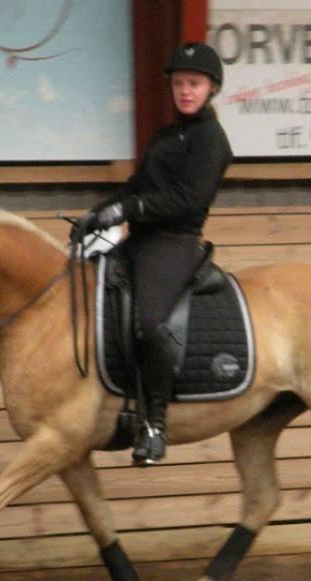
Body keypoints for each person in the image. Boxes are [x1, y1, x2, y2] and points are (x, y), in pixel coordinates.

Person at [74, 42, 233, 466]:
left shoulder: (211, 139)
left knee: (150, 323)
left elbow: (187, 197)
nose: (185, 90)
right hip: (139, 239)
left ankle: (154, 423)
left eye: (194, 83)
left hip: (174, 243)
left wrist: (126, 210)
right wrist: (97, 214)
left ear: (211, 88)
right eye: (179, 83)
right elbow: (136, 186)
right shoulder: (166, 135)